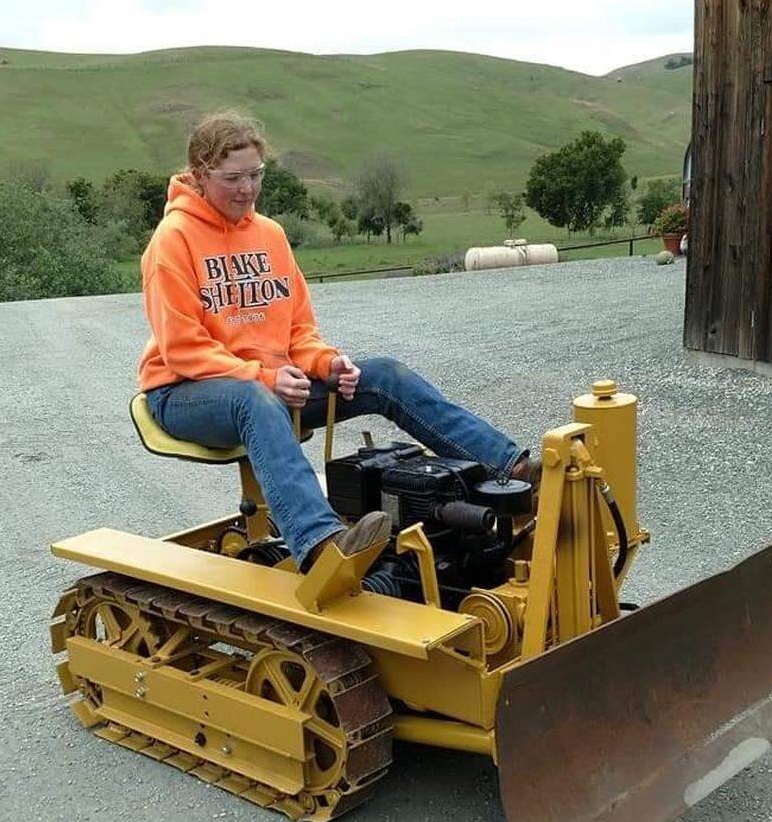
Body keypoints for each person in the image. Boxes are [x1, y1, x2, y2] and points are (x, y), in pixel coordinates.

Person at [138, 112, 533, 571]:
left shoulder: (270, 235)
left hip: (271, 386)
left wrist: (326, 363)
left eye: (255, 175)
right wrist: (265, 378)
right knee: (255, 401)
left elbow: (297, 330)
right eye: (233, 178)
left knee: (382, 374)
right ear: (200, 174)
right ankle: (323, 547)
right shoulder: (173, 240)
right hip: (184, 392)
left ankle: (511, 470)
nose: (247, 188)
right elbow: (182, 348)